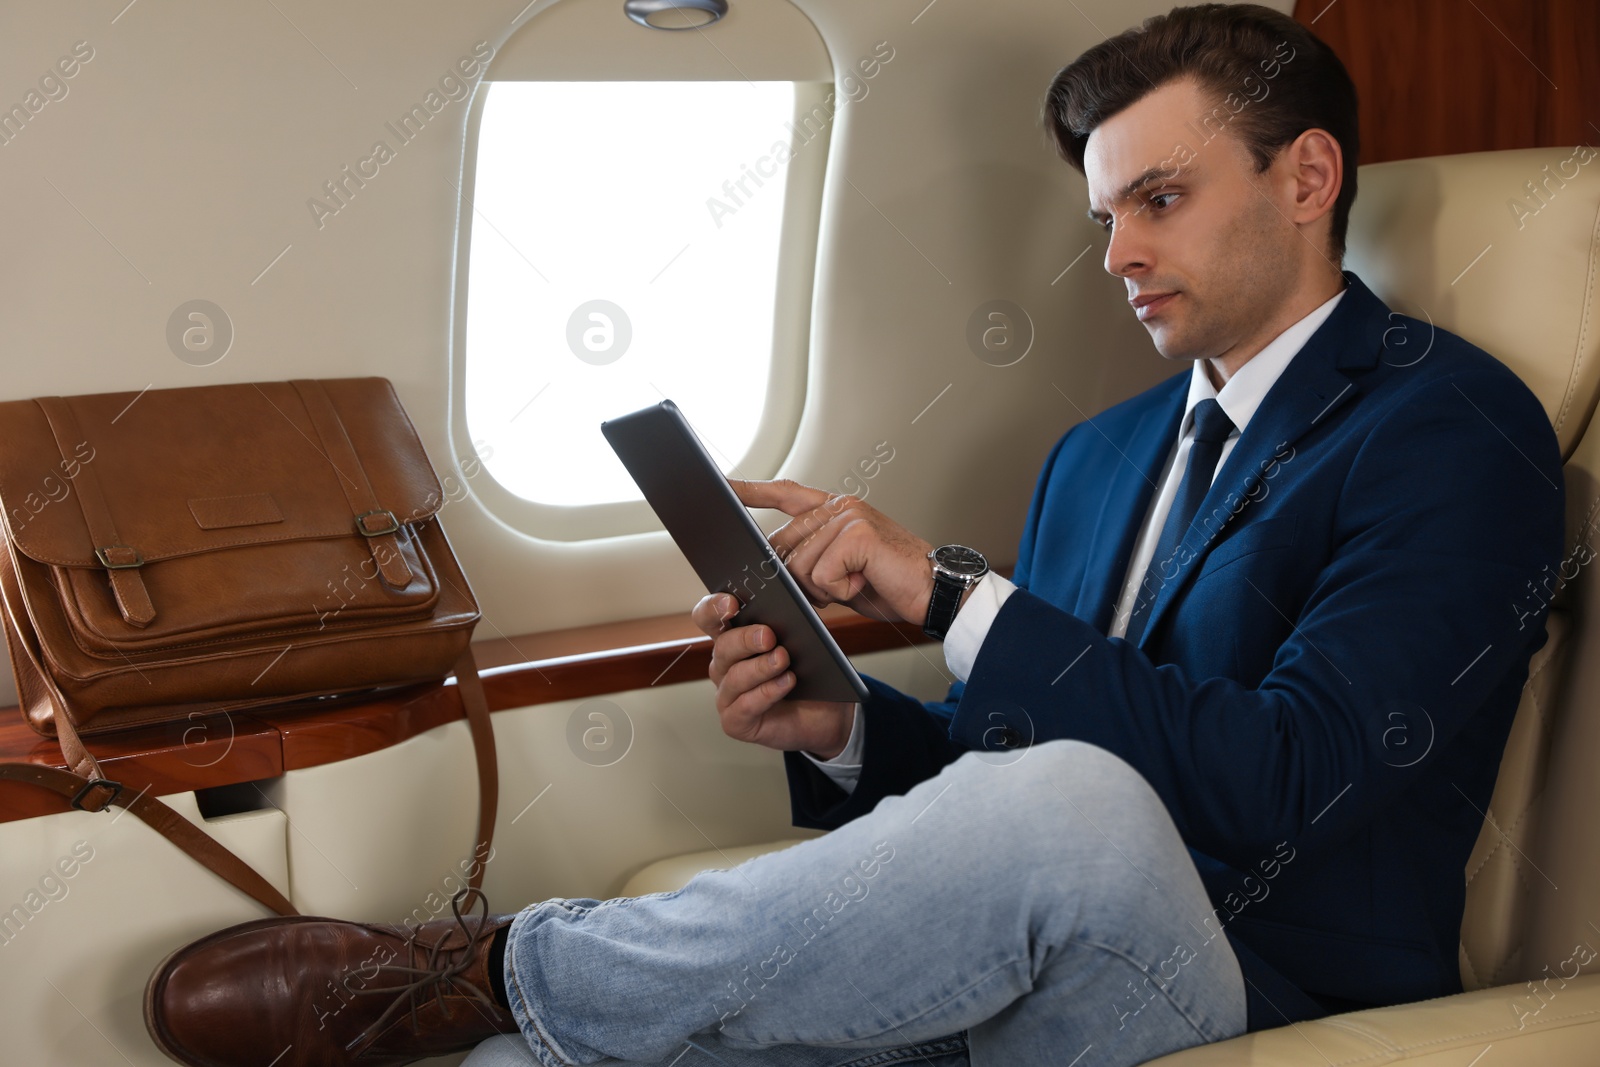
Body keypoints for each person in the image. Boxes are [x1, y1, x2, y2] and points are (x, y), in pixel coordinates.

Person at [143, 5, 1564, 1067]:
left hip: (1267, 985)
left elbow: (1289, 782)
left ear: (1309, 179)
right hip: (1032, 941)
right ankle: (507, 1011)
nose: (1118, 251)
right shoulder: (1102, 453)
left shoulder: (1450, 431)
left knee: (1078, 803)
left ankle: (500, 963)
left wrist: (954, 594)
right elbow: (996, 789)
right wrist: (841, 731)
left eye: (1161, 200)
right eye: (1104, 215)